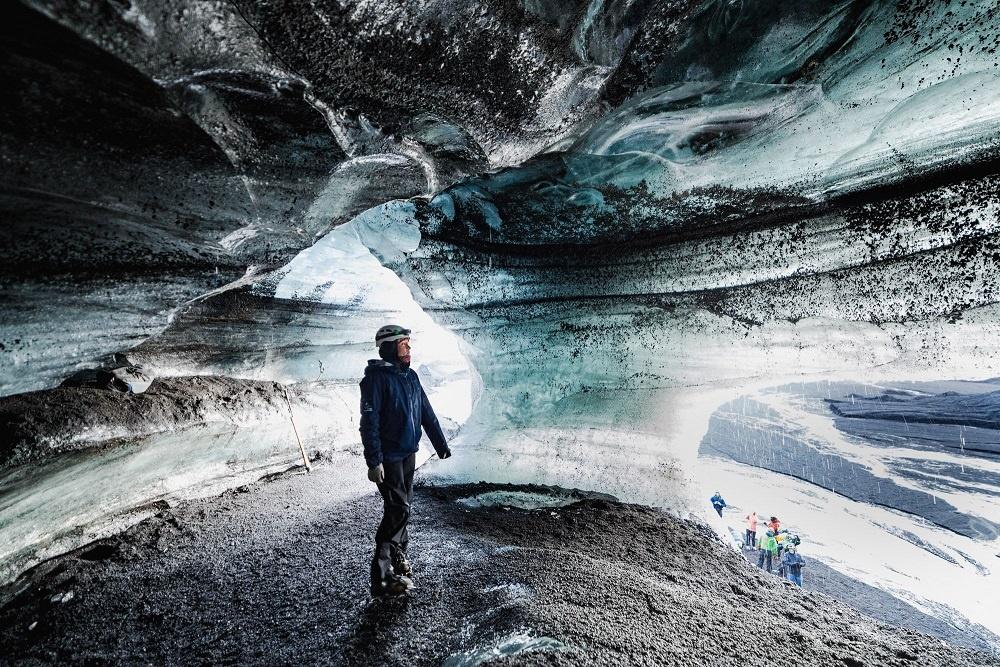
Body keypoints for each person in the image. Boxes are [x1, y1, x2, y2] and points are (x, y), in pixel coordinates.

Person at [360, 324, 452, 597]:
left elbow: (426, 411)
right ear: (388, 347)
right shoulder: (374, 379)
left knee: (403, 507)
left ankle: (398, 559)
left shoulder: (410, 377)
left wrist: (441, 444)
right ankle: (382, 575)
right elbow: (370, 422)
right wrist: (373, 461)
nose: (409, 348)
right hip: (388, 457)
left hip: (408, 452)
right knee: (397, 509)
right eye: (404, 344)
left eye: (409, 344)